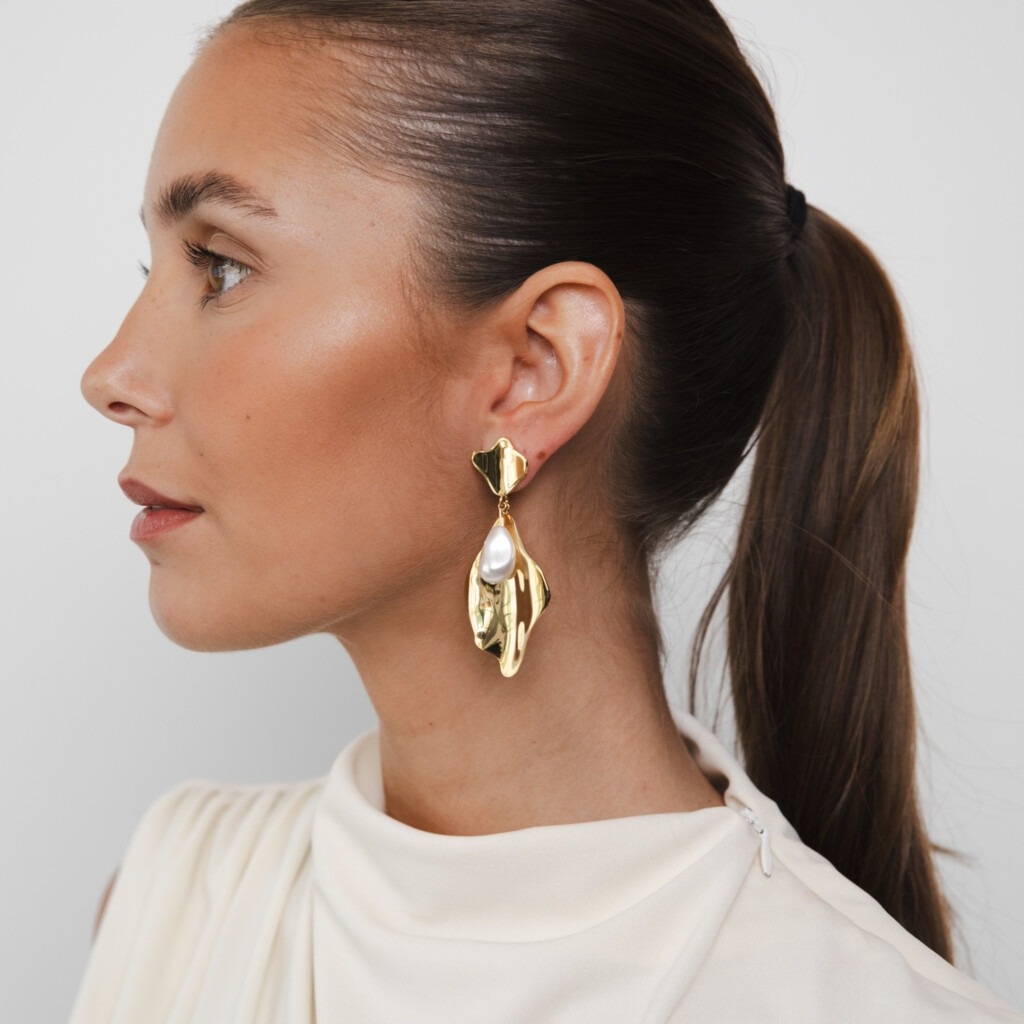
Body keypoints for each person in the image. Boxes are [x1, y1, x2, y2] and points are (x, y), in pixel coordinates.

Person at [69, 1, 1022, 1021]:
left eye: (220, 267)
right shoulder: (173, 905)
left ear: (536, 369)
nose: (109, 375)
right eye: (155, 267)